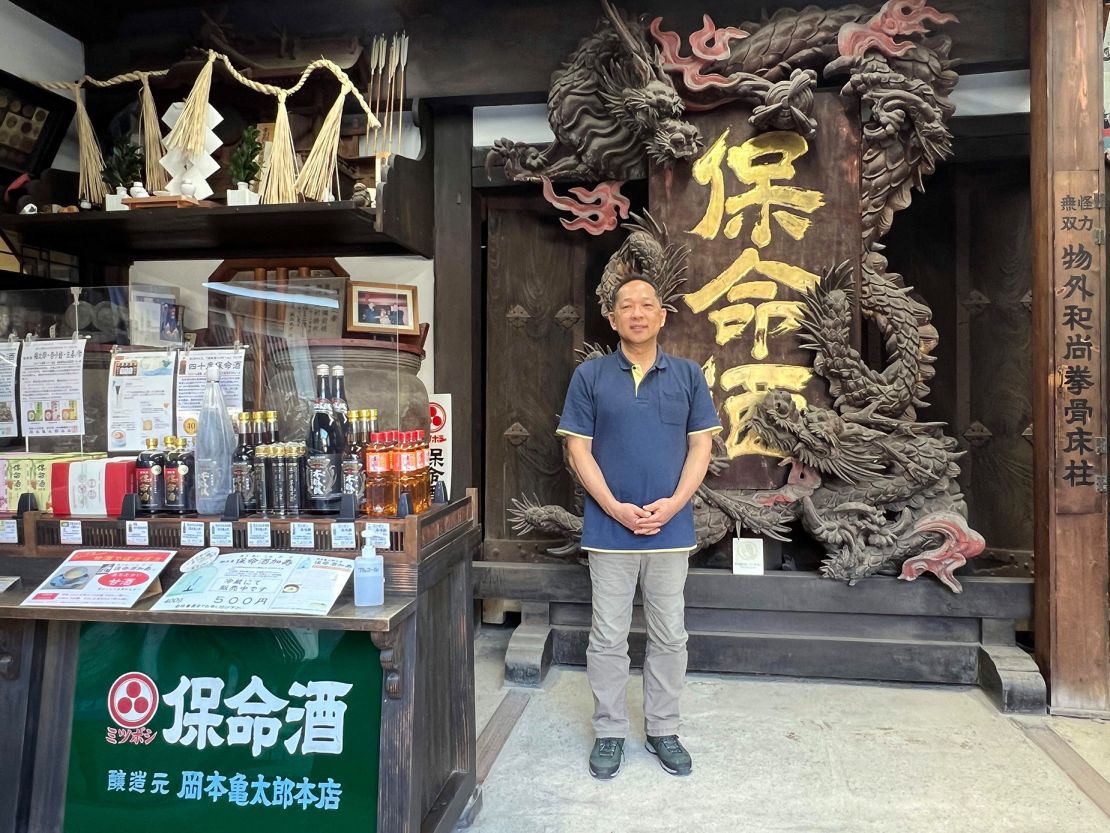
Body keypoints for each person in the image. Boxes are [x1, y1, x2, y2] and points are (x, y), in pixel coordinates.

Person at [557, 276, 721, 780]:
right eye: (626, 306)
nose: (637, 313)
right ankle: (609, 732)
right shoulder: (590, 376)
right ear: (612, 318)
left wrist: (673, 505)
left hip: (670, 532)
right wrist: (613, 507)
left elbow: (701, 447)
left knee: (670, 634)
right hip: (609, 532)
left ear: (662, 315)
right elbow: (577, 449)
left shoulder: (689, 376)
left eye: (646, 305)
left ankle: (663, 728)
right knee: (607, 636)